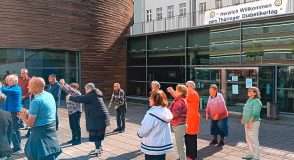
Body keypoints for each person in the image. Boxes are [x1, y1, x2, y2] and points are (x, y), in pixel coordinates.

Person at [17, 77, 62, 160]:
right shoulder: (48, 95)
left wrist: (22, 117)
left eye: (29, 86)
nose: (27, 87)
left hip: (40, 134)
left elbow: (30, 124)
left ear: (36, 88)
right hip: (51, 132)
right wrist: (28, 111)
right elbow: (44, 111)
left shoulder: (36, 101)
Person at [67, 83, 110, 157]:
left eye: (86, 89)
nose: (85, 91)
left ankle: (97, 151)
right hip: (100, 117)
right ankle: (99, 148)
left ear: (89, 89)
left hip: (97, 118)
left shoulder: (91, 94)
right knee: (98, 134)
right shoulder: (95, 94)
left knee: (96, 134)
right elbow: (83, 97)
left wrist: (70, 97)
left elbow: (81, 99)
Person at [137, 90, 173, 160]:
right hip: (162, 146)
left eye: (151, 98)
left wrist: (139, 133)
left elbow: (144, 130)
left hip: (152, 147)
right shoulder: (165, 111)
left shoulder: (152, 113)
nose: (149, 99)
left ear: (155, 100)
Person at [1, 75, 23, 154]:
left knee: (13, 129)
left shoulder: (16, 88)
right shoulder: (11, 88)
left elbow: (3, 90)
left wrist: (1, 86)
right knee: (15, 129)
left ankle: (17, 147)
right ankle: (18, 146)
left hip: (13, 111)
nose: (7, 82)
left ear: (15, 81)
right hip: (11, 111)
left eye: (9, 80)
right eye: (7, 80)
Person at [167, 84, 188, 160]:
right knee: (180, 145)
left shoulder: (179, 102)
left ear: (180, 92)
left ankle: (182, 158)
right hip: (181, 125)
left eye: (177, 90)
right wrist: (172, 91)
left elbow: (174, 114)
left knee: (180, 146)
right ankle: (181, 157)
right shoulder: (181, 99)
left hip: (179, 126)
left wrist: (166, 116)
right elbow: (176, 97)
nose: (175, 91)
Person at [60, 79, 82, 145]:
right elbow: (64, 89)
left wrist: (64, 83)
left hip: (76, 111)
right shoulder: (70, 93)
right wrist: (62, 84)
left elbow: (69, 89)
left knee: (76, 126)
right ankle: (73, 138)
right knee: (72, 126)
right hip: (70, 112)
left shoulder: (77, 93)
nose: (70, 89)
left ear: (75, 88)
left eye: (72, 87)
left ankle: (78, 140)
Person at [241, 87, 262, 160]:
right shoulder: (249, 100)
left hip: (253, 123)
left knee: (254, 139)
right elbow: (246, 110)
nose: (248, 92)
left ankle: (256, 156)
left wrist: (250, 122)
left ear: (255, 93)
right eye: (248, 91)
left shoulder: (257, 101)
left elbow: (255, 113)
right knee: (248, 139)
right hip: (247, 123)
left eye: (250, 91)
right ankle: (251, 154)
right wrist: (243, 118)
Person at [185, 81, 201, 160]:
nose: (186, 88)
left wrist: (173, 92)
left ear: (191, 87)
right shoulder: (190, 93)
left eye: (187, 86)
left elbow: (182, 97)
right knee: (188, 138)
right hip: (189, 118)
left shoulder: (193, 93)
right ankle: (189, 155)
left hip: (192, 119)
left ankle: (191, 156)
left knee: (191, 138)